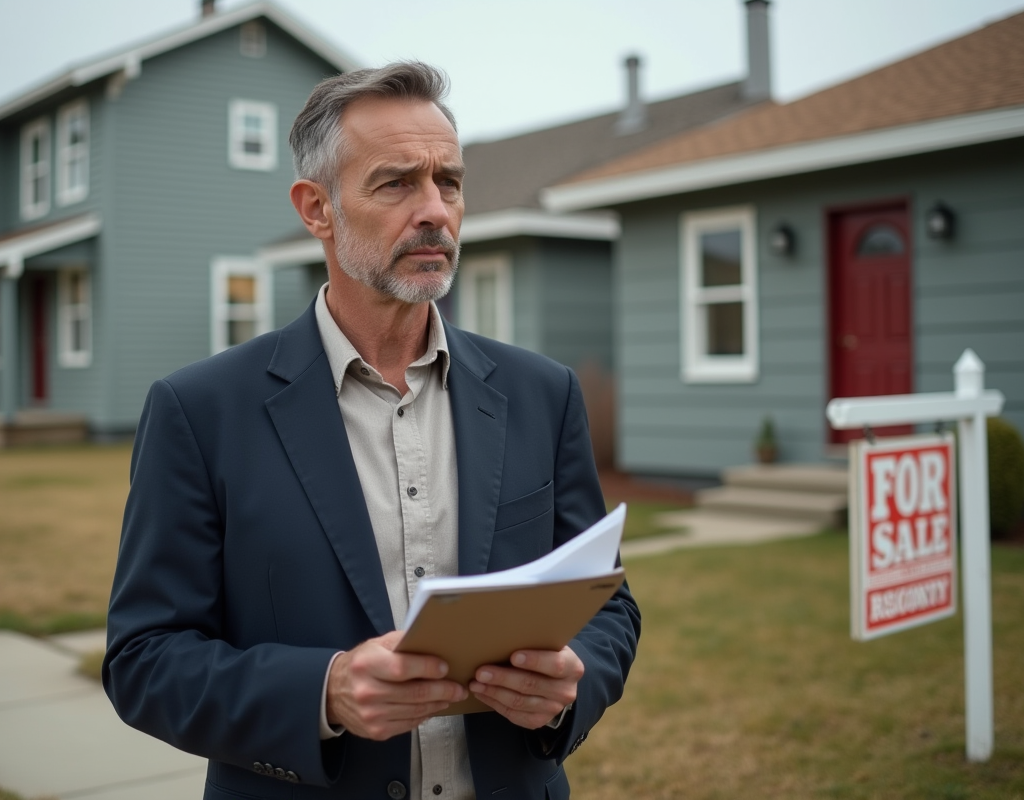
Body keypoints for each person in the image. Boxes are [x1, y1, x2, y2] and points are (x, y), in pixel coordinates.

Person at [104, 61, 639, 800]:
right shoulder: (200, 411)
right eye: (396, 183)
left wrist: (573, 681)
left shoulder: (541, 393)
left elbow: (606, 602)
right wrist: (323, 692)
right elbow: (144, 659)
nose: (435, 212)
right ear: (316, 208)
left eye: (448, 183)